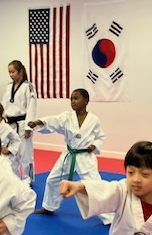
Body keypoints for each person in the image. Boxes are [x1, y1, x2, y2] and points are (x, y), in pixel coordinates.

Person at [28, 88, 113, 225]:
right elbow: (53, 121)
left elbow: (100, 136)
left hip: (85, 157)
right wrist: (38, 122)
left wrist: (94, 145)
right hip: (69, 154)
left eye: (76, 98)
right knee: (52, 179)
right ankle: (49, 207)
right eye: (71, 99)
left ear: (85, 100)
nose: (73, 101)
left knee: (95, 186)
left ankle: (109, 217)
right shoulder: (67, 117)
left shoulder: (93, 120)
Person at [3, 60, 36, 186]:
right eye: (9, 72)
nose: (11, 75)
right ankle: (15, 177)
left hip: (22, 123)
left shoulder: (28, 86)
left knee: (25, 153)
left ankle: (27, 178)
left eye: (13, 72)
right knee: (11, 152)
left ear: (20, 71)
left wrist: (29, 126)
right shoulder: (8, 86)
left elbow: (31, 107)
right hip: (10, 124)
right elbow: (4, 104)